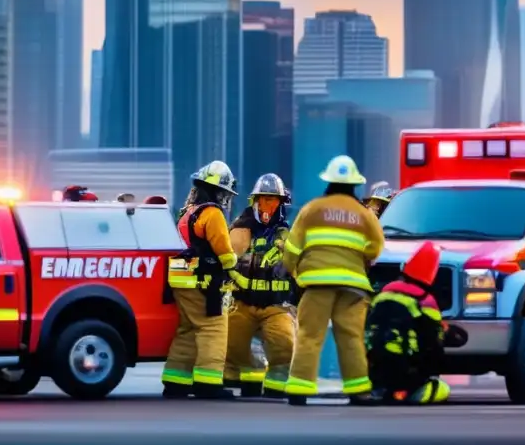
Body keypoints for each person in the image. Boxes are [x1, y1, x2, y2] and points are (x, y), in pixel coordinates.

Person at [283, 155, 385, 406]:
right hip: (352, 287)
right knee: (351, 338)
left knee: (309, 335)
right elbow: (376, 248)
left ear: (328, 182)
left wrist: (293, 273)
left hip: (317, 285)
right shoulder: (364, 214)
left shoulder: (311, 210)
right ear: (353, 184)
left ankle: (298, 388)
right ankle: (359, 391)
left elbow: (292, 249)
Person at [161, 161, 244, 400]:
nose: (225, 197)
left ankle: (175, 381)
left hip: (180, 280)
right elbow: (224, 251)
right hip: (204, 282)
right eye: (224, 192)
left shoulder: (186, 213)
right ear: (217, 190)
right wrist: (233, 269)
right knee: (213, 327)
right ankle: (208, 382)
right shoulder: (212, 214)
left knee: (187, 329)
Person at [223, 173, 294, 398]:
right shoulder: (239, 229)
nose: (266, 205)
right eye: (262, 199)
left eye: (272, 200)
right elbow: (226, 260)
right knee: (232, 346)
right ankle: (241, 382)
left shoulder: (287, 235)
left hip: (276, 305)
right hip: (241, 303)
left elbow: (298, 268)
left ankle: (275, 388)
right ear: (254, 201)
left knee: (284, 345)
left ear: (281, 204)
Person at [365, 241, 461, 404]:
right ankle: (414, 393)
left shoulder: (382, 296)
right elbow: (433, 343)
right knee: (441, 389)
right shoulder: (425, 301)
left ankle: (380, 390)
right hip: (407, 372)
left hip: (375, 371)